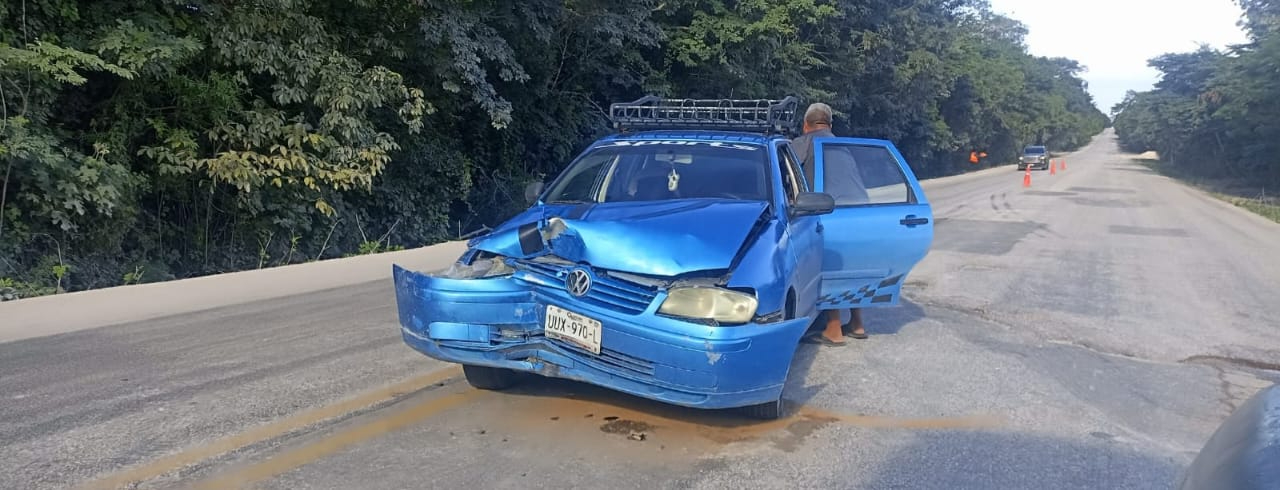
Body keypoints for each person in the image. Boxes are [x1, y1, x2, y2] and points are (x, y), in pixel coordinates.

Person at [790, 102, 868, 346]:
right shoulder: (843, 146)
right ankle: (857, 323)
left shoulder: (804, 143)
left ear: (806, 125)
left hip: (830, 212)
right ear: (830, 125)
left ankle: (833, 329)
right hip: (860, 212)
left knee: (830, 268)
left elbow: (787, 172)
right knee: (851, 267)